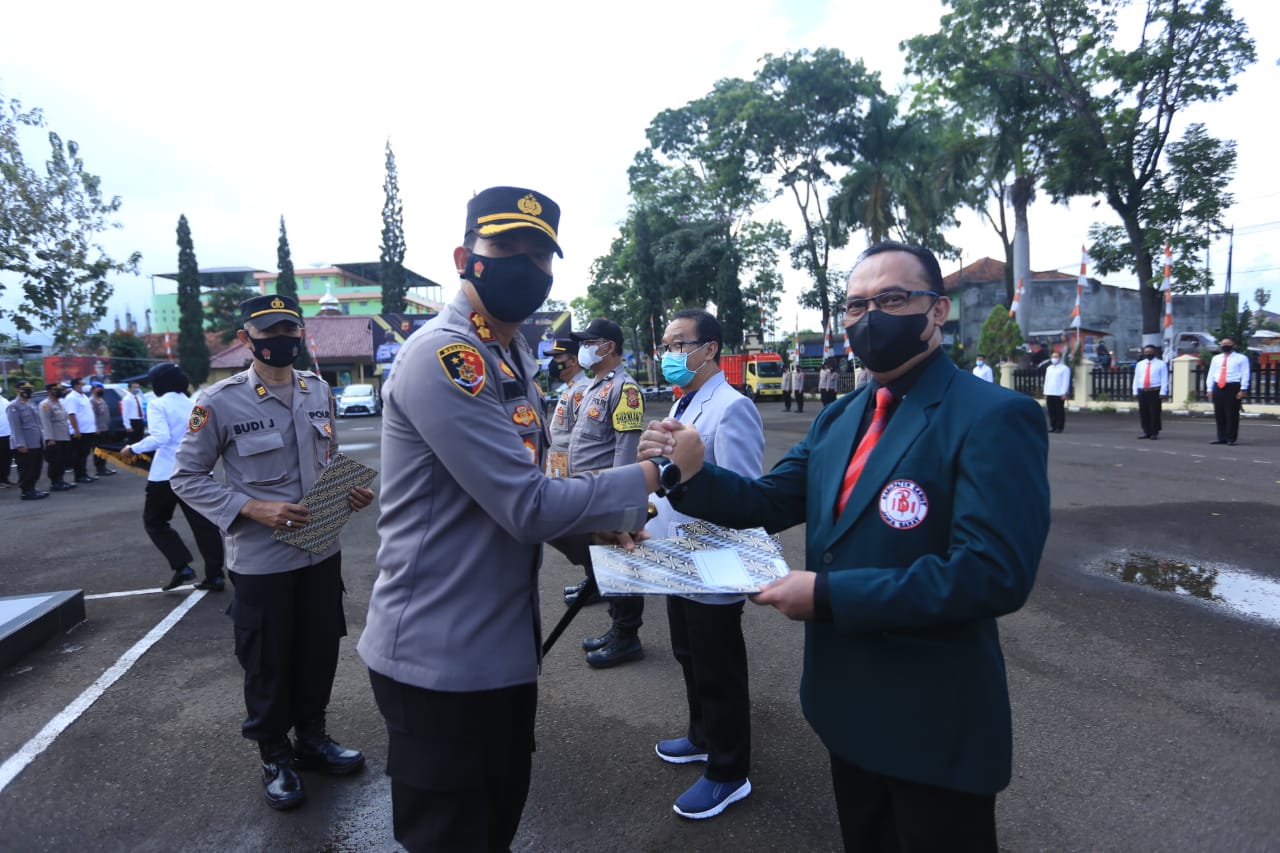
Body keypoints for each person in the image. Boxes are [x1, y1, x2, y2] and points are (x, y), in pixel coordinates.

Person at [640, 241, 1050, 851]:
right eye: (856, 305)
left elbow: (992, 573)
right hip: (844, 705)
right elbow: (767, 501)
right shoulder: (840, 418)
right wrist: (692, 473)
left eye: (891, 299)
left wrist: (829, 595)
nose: (870, 316)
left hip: (931, 717)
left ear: (936, 312)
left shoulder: (993, 415)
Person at [357, 186, 699, 852]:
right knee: (456, 836)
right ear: (465, 257)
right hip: (440, 659)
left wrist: (591, 532)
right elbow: (525, 504)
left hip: (497, 650)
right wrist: (664, 472)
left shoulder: (508, 354)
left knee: (496, 820)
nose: (526, 266)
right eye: (505, 248)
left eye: (540, 255)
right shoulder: (444, 358)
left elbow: (522, 492)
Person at [172, 293, 374, 812]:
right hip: (262, 560)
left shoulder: (318, 390)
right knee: (267, 660)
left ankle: (312, 738)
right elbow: (186, 478)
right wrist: (249, 507)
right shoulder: (218, 401)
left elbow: (326, 457)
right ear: (247, 338)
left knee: (317, 650)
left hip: (320, 549)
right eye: (268, 330)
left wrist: (347, 491)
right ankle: (273, 754)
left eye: (289, 327)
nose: (280, 337)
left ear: (300, 333)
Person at [650, 308, 763, 820]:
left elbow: (740, 491)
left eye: (679, 344)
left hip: (712, 559)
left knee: (718, 667)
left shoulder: (732, 407)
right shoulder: (684, 401)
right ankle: (700, 737)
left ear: (709, 349)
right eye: (666, 346)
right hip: (674, 554)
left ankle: (728, 771)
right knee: (686, 653)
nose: (670, 355)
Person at [570, 317, 648, 668]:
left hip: (607, 493)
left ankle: (627, 636)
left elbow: (625, 449)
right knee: (605, 563)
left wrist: (620, 504)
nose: (584, 348)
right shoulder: (593, 386)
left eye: (591, 342)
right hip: (589, 492)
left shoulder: (625, 389)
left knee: (621, 563)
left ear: (609, 347)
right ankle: (617, 626)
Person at [122, 363, 225, 592]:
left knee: (155, 522)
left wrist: (133, 448)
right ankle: (215, 575)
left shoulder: (158, 404)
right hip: (197, 472)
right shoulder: (196, 405)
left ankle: (182, 565)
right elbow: (202, 436)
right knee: (205, 526)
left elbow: (160, 437)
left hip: (166, 474)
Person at [546, 337, 599, 607]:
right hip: (559, 462)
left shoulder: (581, 389)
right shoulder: (570, 387)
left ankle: (596, 583)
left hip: (569, 464)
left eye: (558, 358)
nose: (554, 364)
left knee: (582, 528)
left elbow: (580, 436)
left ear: (574, 360)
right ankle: (591, 580)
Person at [6, 382, 47, 500]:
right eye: (25, 389)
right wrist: (20, 444)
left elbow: (38, 424)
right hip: (25, 443)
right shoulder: (14, 406)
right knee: (26, 469)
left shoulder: (32, 404)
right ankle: (26, 491)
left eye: (29, 389)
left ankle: (32, 488)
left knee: (36, 467)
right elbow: (15, 427)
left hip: (36, 441)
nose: (28, 392)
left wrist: (42, 440)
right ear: (17, 390)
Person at [1206, 338, 1250, 446]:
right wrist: (1209, 389)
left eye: (1228, 344)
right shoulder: (1216, 358)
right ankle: (1221, 437)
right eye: (1223, 344)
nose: (1225, 345)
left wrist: (1243, 389)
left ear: (1233, 345)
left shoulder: (1241, 358)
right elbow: (1211, 373)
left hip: (1233, 386)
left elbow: (1245, 374)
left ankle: (1231, 438)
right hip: (1218, 386)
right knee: (1219, 413)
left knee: (1231, 413)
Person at [39, 383, 75, 492]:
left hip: (64, 436)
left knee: (63, 461)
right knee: (55, 462)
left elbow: (64, 420)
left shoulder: (60, 403)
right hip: (54, 438)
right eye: (57, 390)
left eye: (60, 390)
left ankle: (61, 480)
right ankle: (55, 483)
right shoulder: (45, 404)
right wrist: (50, 438)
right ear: (50, 391)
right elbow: (46, 423)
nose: (60, 392)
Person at [64, 377, 97, 484]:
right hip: (80, 431)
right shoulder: (72, 397)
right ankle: (79, 476)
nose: (83, 386)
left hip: (88, 430)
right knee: (78, 454)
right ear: (75, 386)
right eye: (81, 384)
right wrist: (76, 430)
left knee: (84, 454)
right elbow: (71, 414)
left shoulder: (83, 396)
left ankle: (84, 474)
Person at [1132, 345, 1168, 440]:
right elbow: (1136, 378)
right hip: (1142, 390)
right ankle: (1146, 431)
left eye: (1150, 352)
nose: (1148, 354)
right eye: (1146, 352)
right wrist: (1135, 390)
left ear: (1154, 352)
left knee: (1154, 412)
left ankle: (1154, 432)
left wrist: (1163, 391)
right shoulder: (1140, 364)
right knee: (1143, 412)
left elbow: (1164, 379)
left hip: (1154, 391)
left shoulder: (1161, 364)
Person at [88, 383, 116, 476]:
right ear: (93, 389)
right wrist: (95, 427)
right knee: (98, 449)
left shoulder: (101, 399)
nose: (101, 390)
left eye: (102, 388)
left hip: (105, 428)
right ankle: (99, 469)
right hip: (98, 429)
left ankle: (104, 467)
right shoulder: (91, 401)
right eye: (98, 388)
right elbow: (92, 416)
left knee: (104, 449)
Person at [1042, 352, 1071, 433]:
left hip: (1059, 393)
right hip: (1050, 392)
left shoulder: (1064, 368)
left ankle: (1059, 427)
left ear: (1060, 358)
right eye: (1053, 356)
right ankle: (1053, 426)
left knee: (1059, 411)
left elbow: (1065, 381)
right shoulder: (1049, 368)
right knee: (1051, 411)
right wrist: (1045, 392)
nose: (1054, 358)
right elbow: (1046, 381)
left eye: (1056, 356)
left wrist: (1064, 392)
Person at [0, 389, 12, 488]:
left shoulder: (4, 400)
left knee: (7, 458)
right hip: (0, 434)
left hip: (8, 433)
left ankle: (5, 478)